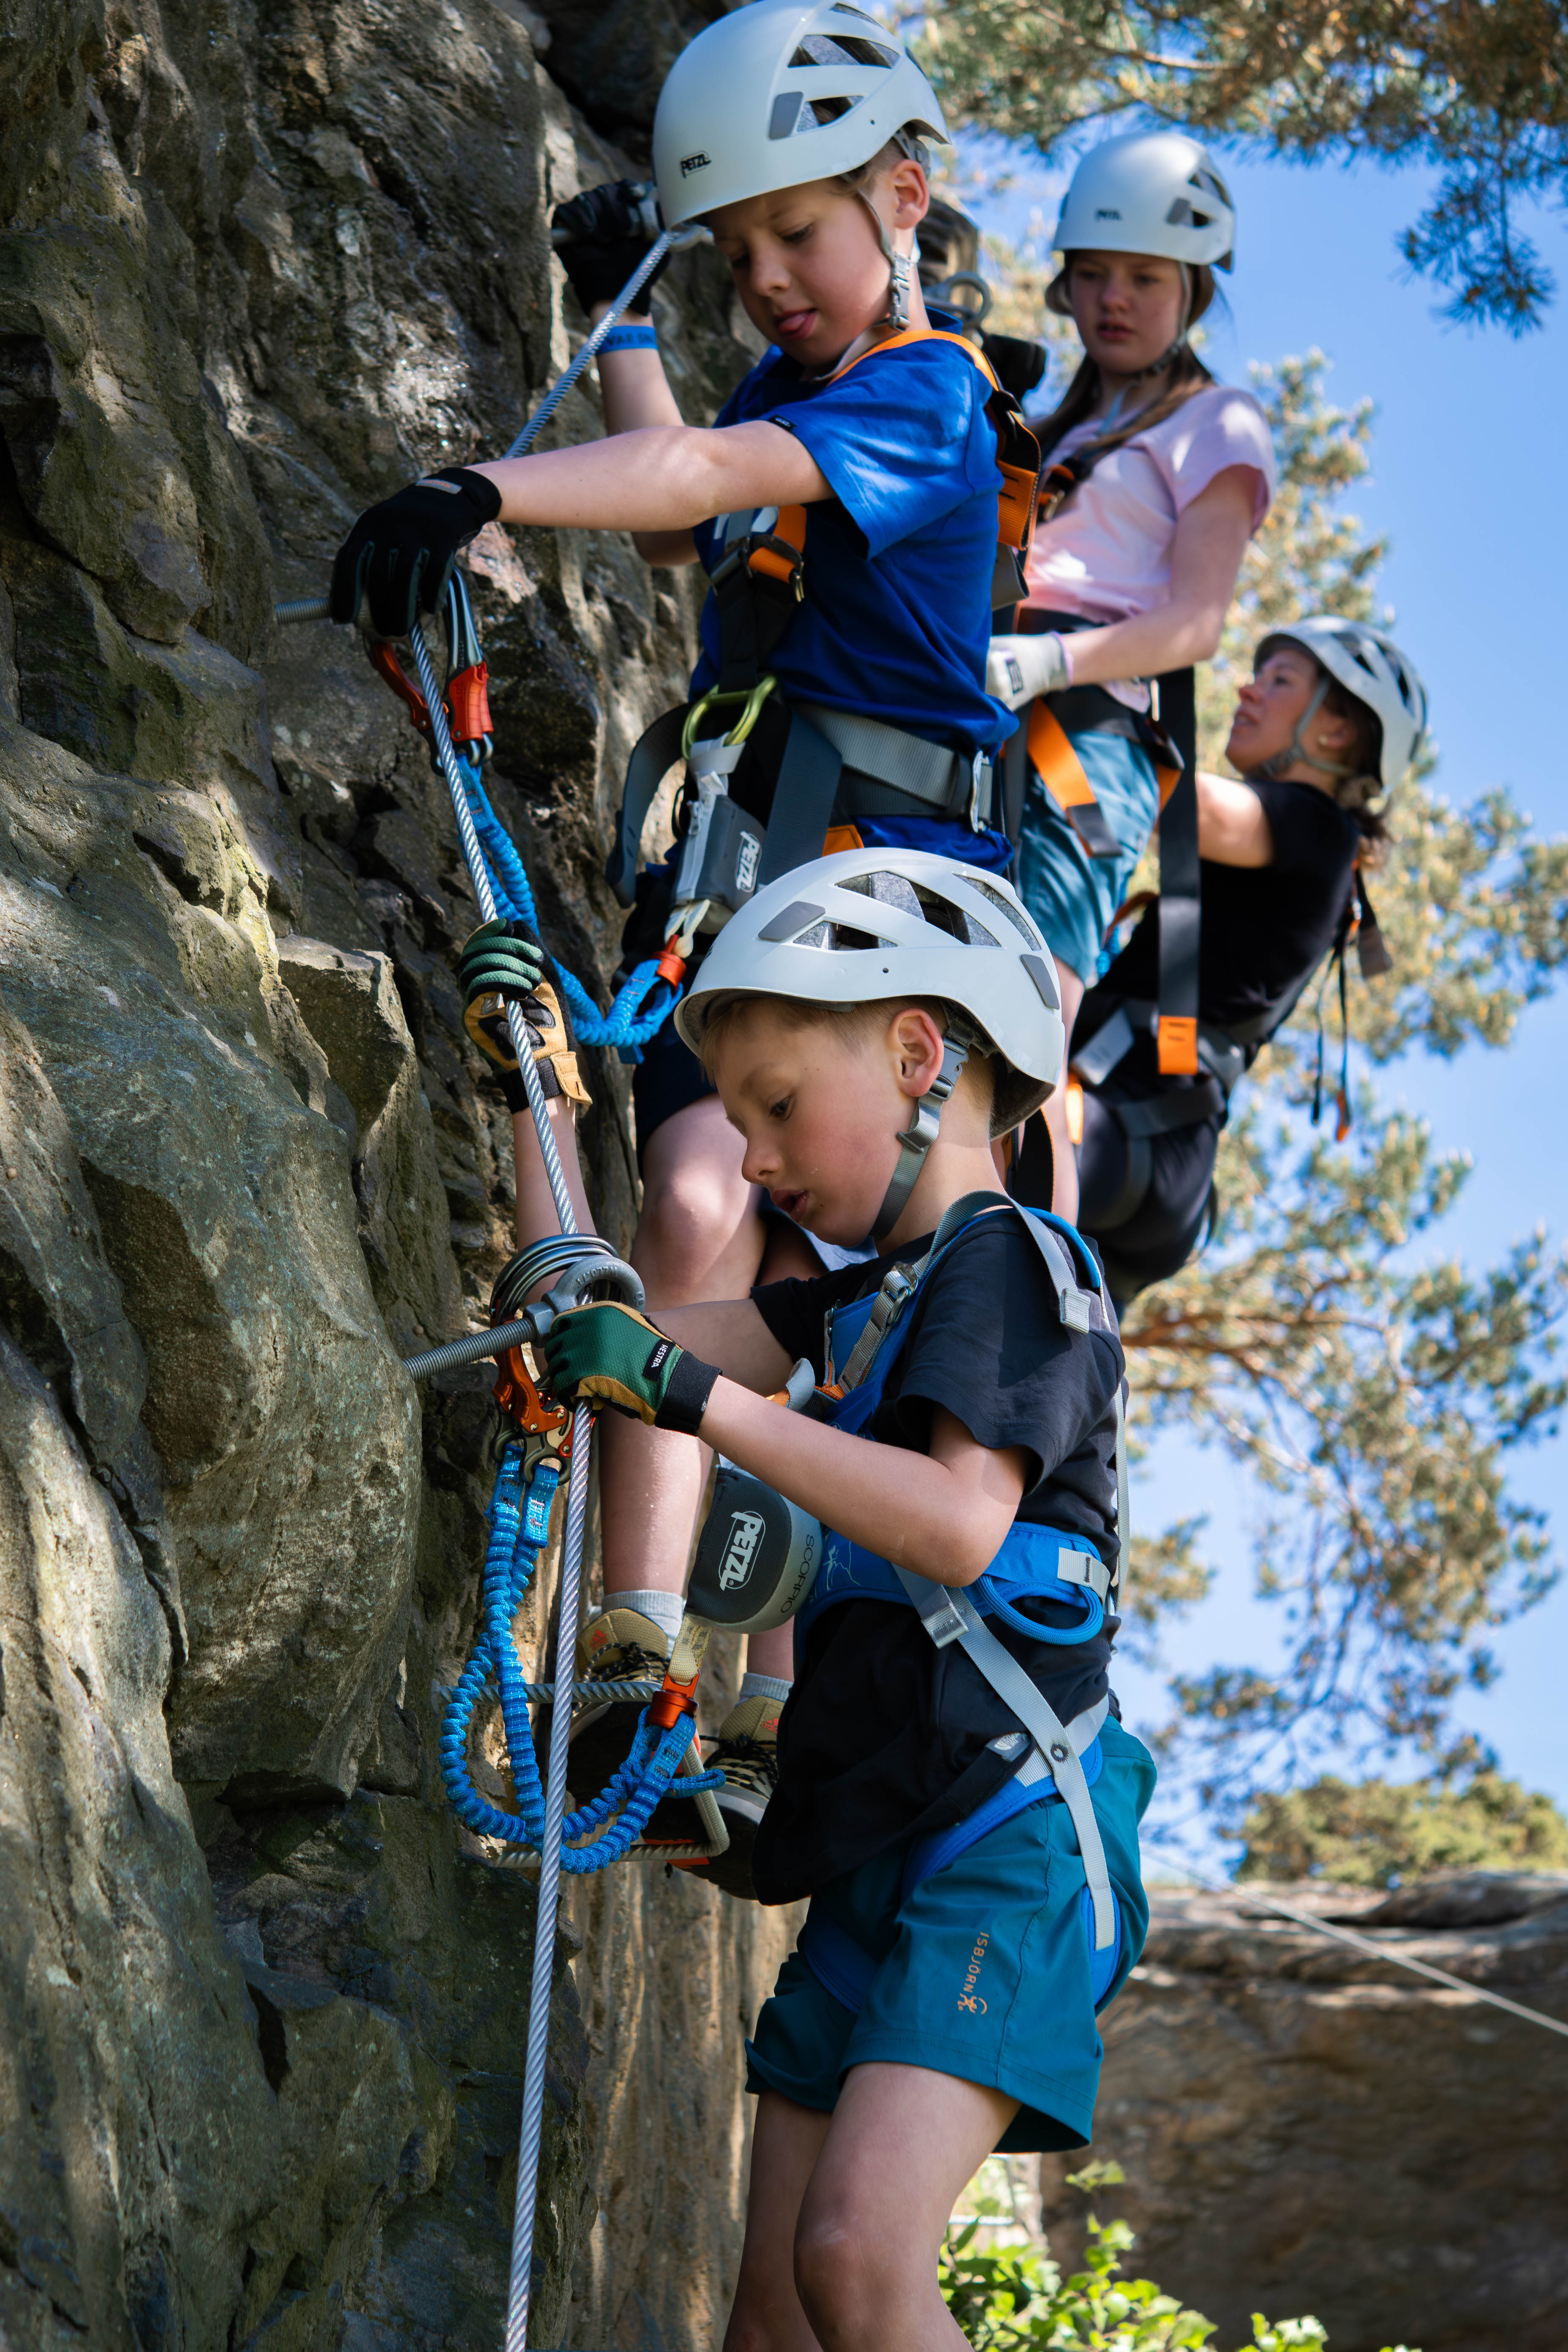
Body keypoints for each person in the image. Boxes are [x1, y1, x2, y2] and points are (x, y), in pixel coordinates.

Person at [334, 0, 1040, 1874]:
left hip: (868, 954)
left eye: (797, 235)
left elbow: (704, 487)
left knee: (739, 1215)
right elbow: (692, 526)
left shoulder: (928, 393)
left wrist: (481, 488)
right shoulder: (796, 407)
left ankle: (700, 1670)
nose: (771, 278)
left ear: (901, 196)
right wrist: (630, 334)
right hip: (738, 921)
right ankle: (643, 1649)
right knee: (702, 1219)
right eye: (735, 255)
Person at [532, 849, 1154, 2352]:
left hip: (1010, 1841)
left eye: (774, 1103)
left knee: (857, 2264)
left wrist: (696, 1399)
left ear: (917, 1053)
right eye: (738, 1118)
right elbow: (611, 1331)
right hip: (888, 1836)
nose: (750, 1159)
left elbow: (952, 1523)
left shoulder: (1016, 1265)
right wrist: (537, 1094)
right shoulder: (869, 1297)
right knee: (772, 2319)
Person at [985, 130, 1276, 1220]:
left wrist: (1050, 658)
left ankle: (1033, 1297)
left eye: (1145, 278)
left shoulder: (1218, 422)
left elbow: (1196, 621)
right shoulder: (1065, 422)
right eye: (1094, 273)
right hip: (985, 707)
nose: (1113, 299)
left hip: (1084, 736)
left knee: (1031, 1021)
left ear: (1193, 291)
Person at [1059, 616, 1427, 1304]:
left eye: (1279, 681)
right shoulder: (1309, 853)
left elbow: (1171, 803)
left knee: (951, 1152)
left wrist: (1067, 680)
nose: (1247, 690)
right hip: (1155, 1151)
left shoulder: (1317, 826)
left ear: (1336, 731)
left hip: (1133, 1124)